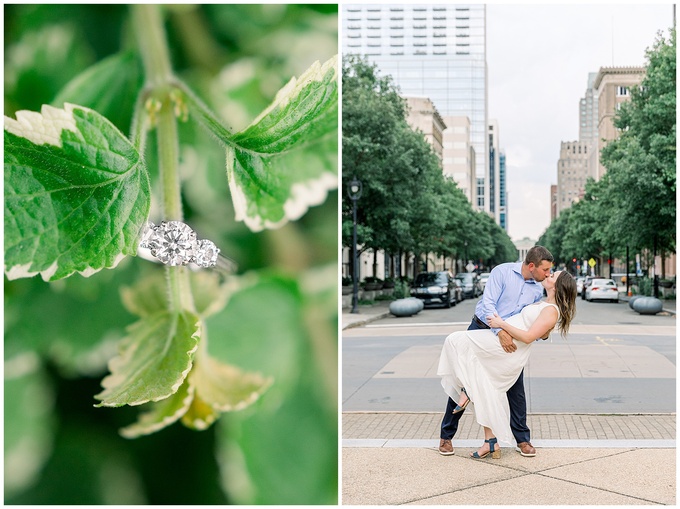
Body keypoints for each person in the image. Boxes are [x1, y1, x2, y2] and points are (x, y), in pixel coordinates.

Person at [438, 270, 576, 459]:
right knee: (483, 386)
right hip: (494, 336)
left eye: (552, 275)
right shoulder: (509, 276)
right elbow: (531, 324)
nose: (547, 275)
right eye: (547, 271)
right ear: (532, 264)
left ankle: (469, 393)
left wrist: (500, 324)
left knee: (456, 341)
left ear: (558, 286)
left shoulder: (550, 307)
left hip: (508, 347)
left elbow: (529, 336)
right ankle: (489, 441)